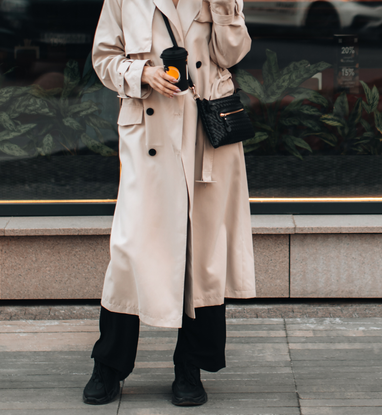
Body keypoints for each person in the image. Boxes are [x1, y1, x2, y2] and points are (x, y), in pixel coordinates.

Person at [83, 0, 255, 407]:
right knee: (130, 251)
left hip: (205, 135)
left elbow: (233, 55)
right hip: (149, 135)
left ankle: (189, 367)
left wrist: (226, 8)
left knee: (203, 252)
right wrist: (140, 72)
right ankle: (109, 365)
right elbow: (104, 57)